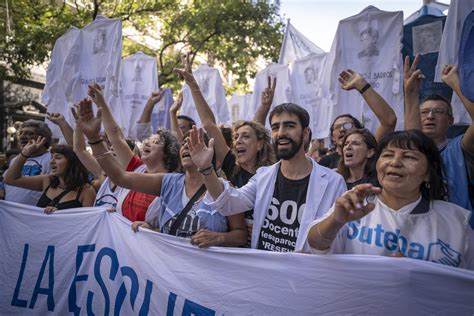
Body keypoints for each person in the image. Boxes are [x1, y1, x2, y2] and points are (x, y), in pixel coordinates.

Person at [75, 100, 247, 248]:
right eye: (185, 143)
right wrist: (94, 138)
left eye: (196, 143)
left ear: (212, 155)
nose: (188, 146)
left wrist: (220, 238)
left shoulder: (225, 189)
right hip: (167, 276)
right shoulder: (169, 183)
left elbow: (241, 235)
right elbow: (121, 177)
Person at [187, 103, 346, 252]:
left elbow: (338, 242)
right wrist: (206, 168)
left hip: (304, 276)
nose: (281, 133)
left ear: (305, 134)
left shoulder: (333, 182)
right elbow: (230, 203)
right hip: (264, 273)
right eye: (276, 127)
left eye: (289, 126)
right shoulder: (263, 176)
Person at [306, 130, 472, 269]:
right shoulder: (355, 205)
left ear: (429, 172)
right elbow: (315, 244)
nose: (395, 162)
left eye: (409, 157)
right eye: (388, 155)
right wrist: (336, 220)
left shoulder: (457, 223)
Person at [175, 54, 275, 243]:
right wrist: (193, 85)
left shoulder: (274, 172)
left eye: (246, 137)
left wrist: (264, 107)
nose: (238, 141)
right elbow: (209, 124)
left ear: (260, 144)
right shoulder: (232, 167)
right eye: (236, 137)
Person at [83, 84, 181, 222]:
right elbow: (115, 135)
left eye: (156, 142)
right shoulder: (137, 168)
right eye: (148, 140)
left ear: (168, 152)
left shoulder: (173, 183)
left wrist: (154, 229)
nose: (147, 143)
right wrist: (100, 102)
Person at [404, 56, 474, 221]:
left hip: (458, 236)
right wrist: (410, 94)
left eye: (438, 112)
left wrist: (455, 83)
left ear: (451, 121)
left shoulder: (460, 148)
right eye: (424, 112)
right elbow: (413, 141)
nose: (430, 116)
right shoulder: (407, 152)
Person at [319, 69, 397, 169]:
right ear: (333, 137)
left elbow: (389, 121)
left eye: (347, 125)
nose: (342, 130)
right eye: (337, 127)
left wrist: (362, 86)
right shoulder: (325, 163)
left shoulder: (368, 150)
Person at [4, 138, 95, 212]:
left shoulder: (86, 190)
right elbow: (10, 179)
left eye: (58, 157)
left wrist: (60, 215)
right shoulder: (47, 180)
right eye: (51, 157)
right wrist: (25, 153)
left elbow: (87, 223)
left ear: (72, 162)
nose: (51, 161)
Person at [3, 120, 53, 205]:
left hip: (34, 214)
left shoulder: (52, 159)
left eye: (29, 133)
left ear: (43, 138)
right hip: (10, 213)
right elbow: (6, 180)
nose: (22, 137)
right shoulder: (16, 159)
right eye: (21, 133)